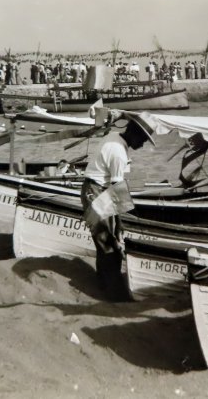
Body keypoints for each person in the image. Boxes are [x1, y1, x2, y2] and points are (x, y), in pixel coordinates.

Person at [80, 112, 157, 301]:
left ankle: (104, 283)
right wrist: (121, 222)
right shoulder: (119, 154)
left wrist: (118, 222)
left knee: (108, 240)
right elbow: (117, 190)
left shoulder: (114, 136)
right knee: (108, 243)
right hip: (96, 192)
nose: (143, 144)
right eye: (143, 140)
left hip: (96, 189)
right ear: (134, 133)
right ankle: (113, 293)